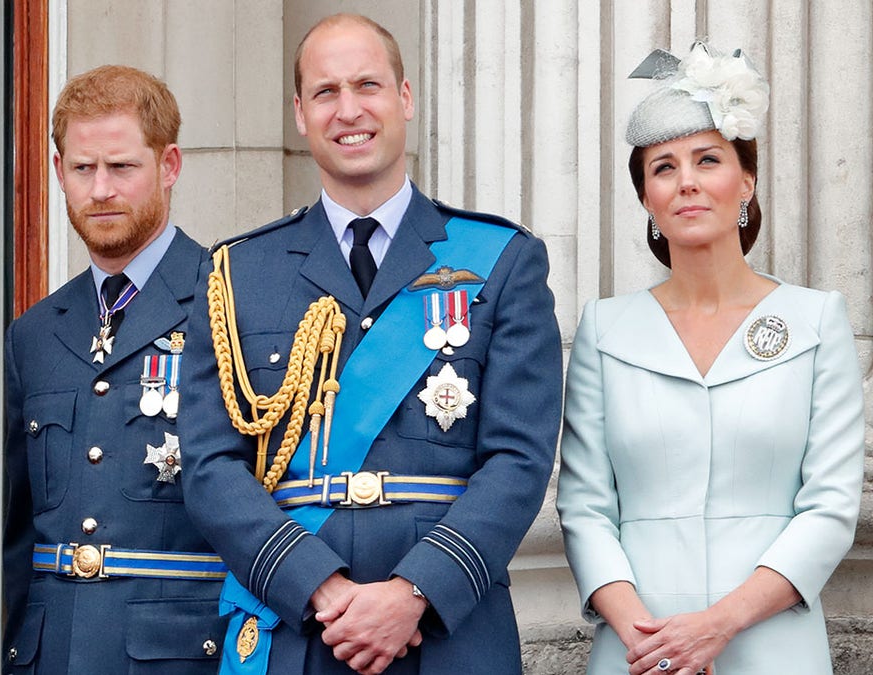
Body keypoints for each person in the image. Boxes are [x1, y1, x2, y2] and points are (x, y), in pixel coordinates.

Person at [178, 14, 563, 675]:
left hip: (447, 632)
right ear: (300, 113)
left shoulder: (502, 260)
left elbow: (519, 459)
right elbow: (212, 467)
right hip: (300, 628)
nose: (348, 110)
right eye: (325, 92)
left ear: (405, 98)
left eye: (368, 85)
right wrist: (319, 587)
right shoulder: (238, 272)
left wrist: (414, 593)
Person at [557, 43, 865, 675]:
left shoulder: (814, 320)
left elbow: (831, 504)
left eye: (707, 159)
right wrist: (652, 640)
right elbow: (585, 505)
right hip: (638, 649)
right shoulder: (605, 329)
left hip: (773, 643)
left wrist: (717, 626)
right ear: (646, 195)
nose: (687, 180)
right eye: (663, 167)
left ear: (745, 179)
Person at [2, 65, 226, 674]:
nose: (100, 189)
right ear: (58, 173)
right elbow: (16, 528)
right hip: (49, 654)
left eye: (122, 167)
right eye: (82, 168)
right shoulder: (35, 332)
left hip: (180, 655)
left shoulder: (230, 303)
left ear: (169, 165)